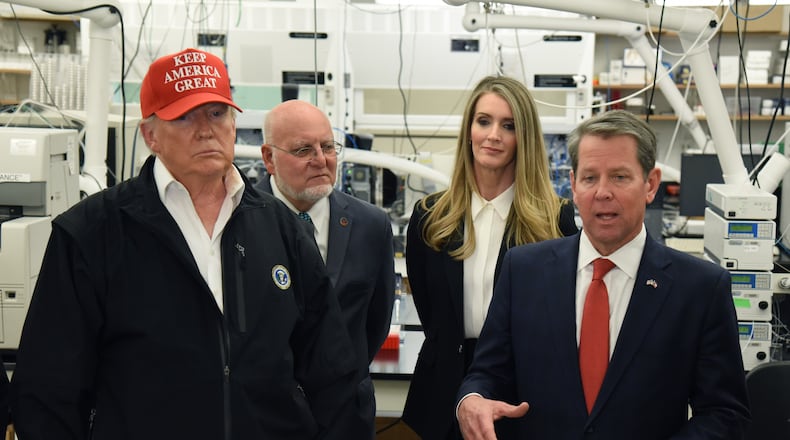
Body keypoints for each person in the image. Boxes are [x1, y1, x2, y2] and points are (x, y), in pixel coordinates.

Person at [10, 48, 357, 439]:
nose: (206, 129)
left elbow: (333, 372)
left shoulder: (281, 228)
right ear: (150, 135)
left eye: (216, 113)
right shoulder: (92, 233)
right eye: (184, 116)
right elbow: (48, 390)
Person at [456, 110, 751, 439]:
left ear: (650, 184)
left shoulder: (700, 288)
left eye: (620, 177)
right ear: (573, 184)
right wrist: (472, 399)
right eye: (590, 177)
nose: (602, 192)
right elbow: (486, 372)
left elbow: (725, 414)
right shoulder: (523, 270)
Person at [402, 75, 578, 439]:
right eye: (484, 121)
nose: (493, 134)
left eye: (508, 125)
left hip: (521, 394)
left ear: (523, 139)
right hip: (442, 394)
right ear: (469, 129)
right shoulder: (430, 216)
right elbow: (430, 311)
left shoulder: (555, 221)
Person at [255, 99, 395, 439]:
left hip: (346, 418)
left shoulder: (371, 225)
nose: (321, 160)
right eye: (304, 150)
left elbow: (376, 322)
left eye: (328, 147)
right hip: (264, 417)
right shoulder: (241, 221)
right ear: (269, 158)